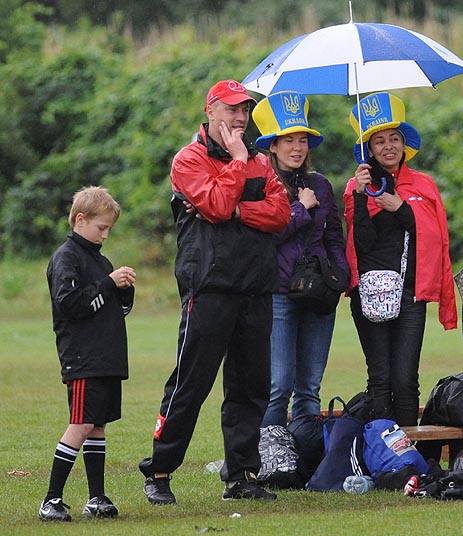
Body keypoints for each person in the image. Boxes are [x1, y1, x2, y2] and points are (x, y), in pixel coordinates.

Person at [138, 80, 290, 504]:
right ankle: (159, 472)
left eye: (245, 110)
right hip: (208, 288)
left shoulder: (262, 161)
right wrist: (237, 165)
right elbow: (216, 205)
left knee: (250, 388)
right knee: (190, 384)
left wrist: (239, 208)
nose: (240, 118)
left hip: (255, 289)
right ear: (210, 111)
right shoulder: (189, 159)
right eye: (231, 109)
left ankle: (241, 477)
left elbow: (281, 213)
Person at [343, 92, 457, 426]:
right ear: (369, 148)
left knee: (406, 379)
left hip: (410, 295)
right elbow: (361, 242)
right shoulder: (357, 185)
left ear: (405, 144)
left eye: (395, 138)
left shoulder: (424, 184)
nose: (388, 146)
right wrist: (362, 197)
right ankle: (382, 449)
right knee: (380, 379)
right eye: (379, 141)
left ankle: (409, 448)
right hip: (371, 293)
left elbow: (435, 238)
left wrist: (401, 208)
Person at [250, 91, 348, 427]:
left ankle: (305, 449)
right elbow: (266, 236)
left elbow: (334, 236)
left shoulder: (320, 184)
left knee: (309, 387)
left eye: (302, 140)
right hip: (278, 293)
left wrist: (340, 274)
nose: (297, 148)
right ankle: (269, 450)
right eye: (288, 140)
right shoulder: (261, 186)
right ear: (273, 146)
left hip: (319, 292)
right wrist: (300, 208)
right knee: (279, 385)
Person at [40, 186, 135, 521]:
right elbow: (70, 306)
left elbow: (114, 309)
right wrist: (109, 283)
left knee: (97, 426)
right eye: (101, 227)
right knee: (80, 424)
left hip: (107, 358)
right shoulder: (66, 258)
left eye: (109, 229)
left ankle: (97, 498)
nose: (105, 235)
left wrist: (125, 291)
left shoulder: (101, 260)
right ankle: (51, 500)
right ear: (80, 219)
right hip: (83, 358)